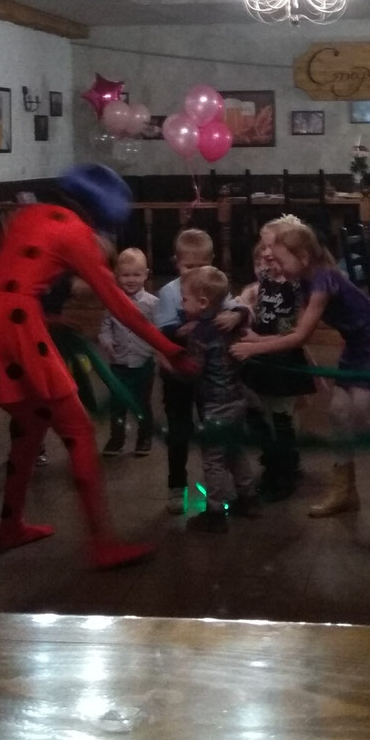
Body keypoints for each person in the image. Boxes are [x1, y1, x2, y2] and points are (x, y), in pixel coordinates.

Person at [0, 164, 192, 569]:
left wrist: (47, 317)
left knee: (29, 428)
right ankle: (102, 545)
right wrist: (173, 350)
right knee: (78, 431)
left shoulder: (28, 215)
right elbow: (122, 307)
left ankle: (10, 527)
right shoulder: (76, 232)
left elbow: (17, 274)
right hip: (15, 326)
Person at [231, 222, 370, 518]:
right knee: (338, 415)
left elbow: (301, 337)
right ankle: (344, 491)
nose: (276, 265)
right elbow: (294, 328)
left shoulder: (324, 279)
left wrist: (254, 349)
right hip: (355, 347)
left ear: (303, 257)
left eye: (281, 259)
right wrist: (259, 339)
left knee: (358, 419)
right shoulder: (305, 280)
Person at [155, 227, 246, 516]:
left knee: (217, 439)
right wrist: (190, 329)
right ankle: (176, 486)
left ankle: (229, 494)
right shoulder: (170, 292)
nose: (195, 273)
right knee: (179, 430)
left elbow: (238, 309)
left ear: (212, 262)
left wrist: (236, 316)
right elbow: (165, 331)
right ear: (176, 263)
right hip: (179, 372)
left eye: (201, 265)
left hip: (209, 379)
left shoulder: (214, 286)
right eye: (188, 267)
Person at [178, 265, 262, 533]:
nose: (181, 304)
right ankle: (248, 498)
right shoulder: (229, 325)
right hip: (237, 397)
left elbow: (193, 370)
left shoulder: (200, 334)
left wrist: (170, 362)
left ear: (203, 302)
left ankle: (214, 513)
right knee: (234, 449)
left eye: (185, 299)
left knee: (213, 458)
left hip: (215, 404)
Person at [238, 217, 315, 501]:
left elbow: (292, 328)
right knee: (259, 412)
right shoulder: (266, 280)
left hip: (281, 357)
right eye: (263, 252)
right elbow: (256, 307)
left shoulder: (297, 284)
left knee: (281, 417)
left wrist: (261, 342)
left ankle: (283, 472)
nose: (267, 258)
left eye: (272, 251)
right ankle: (272, 461)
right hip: (261, 356)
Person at [97, 247, 158, 458]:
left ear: (146, 274)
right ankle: (117, 438)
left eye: (136, 274)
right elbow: (105, 326)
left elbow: (159, 329)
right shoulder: (112, 302)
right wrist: (106, 340)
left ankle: (144, 437)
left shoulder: (152, 304)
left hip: (143, 362)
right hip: (119, 362)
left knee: (142, 403)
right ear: (117, 275)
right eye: (125, 275)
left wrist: (158, 349)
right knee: (117, 403)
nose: (131, 280)